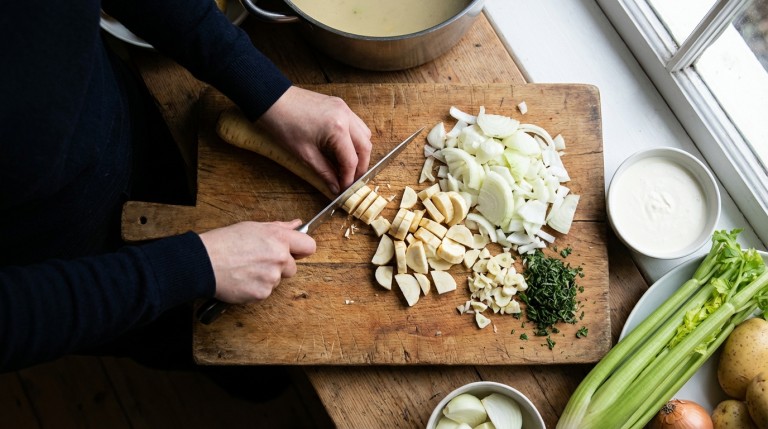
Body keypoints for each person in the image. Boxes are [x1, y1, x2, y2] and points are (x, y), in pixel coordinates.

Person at [0, 0, 372, 372]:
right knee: (206, 345)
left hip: (121, 115)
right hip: (69, 271)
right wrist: (189, 268)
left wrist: (268, 90)